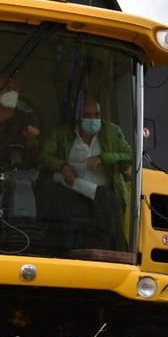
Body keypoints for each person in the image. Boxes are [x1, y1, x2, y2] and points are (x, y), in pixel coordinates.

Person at [39, 93, 133, 250]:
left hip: (103, 200)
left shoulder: (112, 132)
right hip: (70, 197)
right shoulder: (61, 134)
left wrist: (103, 158)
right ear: (77, 116)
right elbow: (44, 156)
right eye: (87, 115)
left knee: (105, 242)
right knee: (67, 243)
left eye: (97, 115)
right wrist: (62, 166)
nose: (93, 120)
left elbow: (130, 156)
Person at [0, 76, 40, 168]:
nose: (12, 93)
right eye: (7, 88)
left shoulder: (27, 117)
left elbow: (36, 154)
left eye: (15, 88)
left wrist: (31, 140)